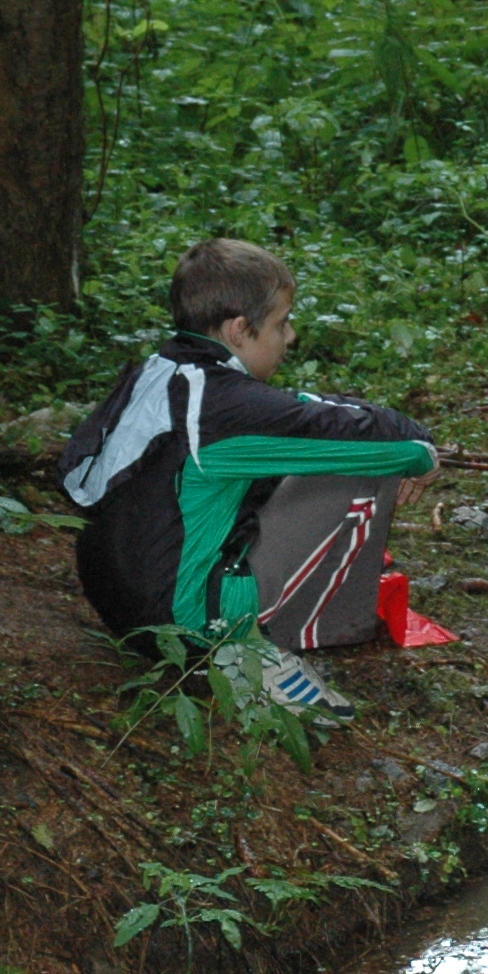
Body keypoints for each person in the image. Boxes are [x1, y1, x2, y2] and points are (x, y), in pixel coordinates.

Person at [58, 237, 439, 719]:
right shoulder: (226, 409)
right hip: (184, 622)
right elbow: (390, 445)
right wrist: (423, 453)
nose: (290, 337)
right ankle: (256, 647)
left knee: (291, 458)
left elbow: (301, 414)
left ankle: (231, 630)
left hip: (119, 603)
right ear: (239, 330)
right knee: (363, 469)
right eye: (281, 323)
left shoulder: (161, 371)